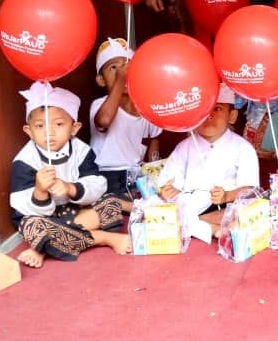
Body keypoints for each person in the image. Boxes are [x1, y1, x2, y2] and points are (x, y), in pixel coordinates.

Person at [11, 83, 129, 268]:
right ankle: (104, 238)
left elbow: (96, 184)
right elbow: (20, 205)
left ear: (74, 128)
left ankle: (44, 248)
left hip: (77, 211)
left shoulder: (81, 150)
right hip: (44, 218)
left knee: (110, 205)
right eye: (40, 126)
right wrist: (40, 191)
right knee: (34, 228)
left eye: (58, 124)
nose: (49, 132)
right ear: (29, 131)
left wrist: (70, 188)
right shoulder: (24, 160)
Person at [158, 85, 260, 222]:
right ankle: (201, 225)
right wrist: (167, 191)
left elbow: (250, 190)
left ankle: (196, 224)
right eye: (203, 110)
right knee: (154, 206)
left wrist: (227, 196)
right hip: (187, 205)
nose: (209, 115)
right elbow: (168, 182)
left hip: (223, 208)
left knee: (246, 211)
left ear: (232, 116)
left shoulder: (243, 148)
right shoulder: (184, 147)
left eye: (217, 109)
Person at [89, 38, 162, 206]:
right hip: (106, 176)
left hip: (137, 175)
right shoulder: (99, 105)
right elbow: (104, 121)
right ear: (101, 80)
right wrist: (121, 79)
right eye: (113, 67)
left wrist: (155, 176)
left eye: (127, 66)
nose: (122, 71)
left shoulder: (146, 108)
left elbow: (153, 141)